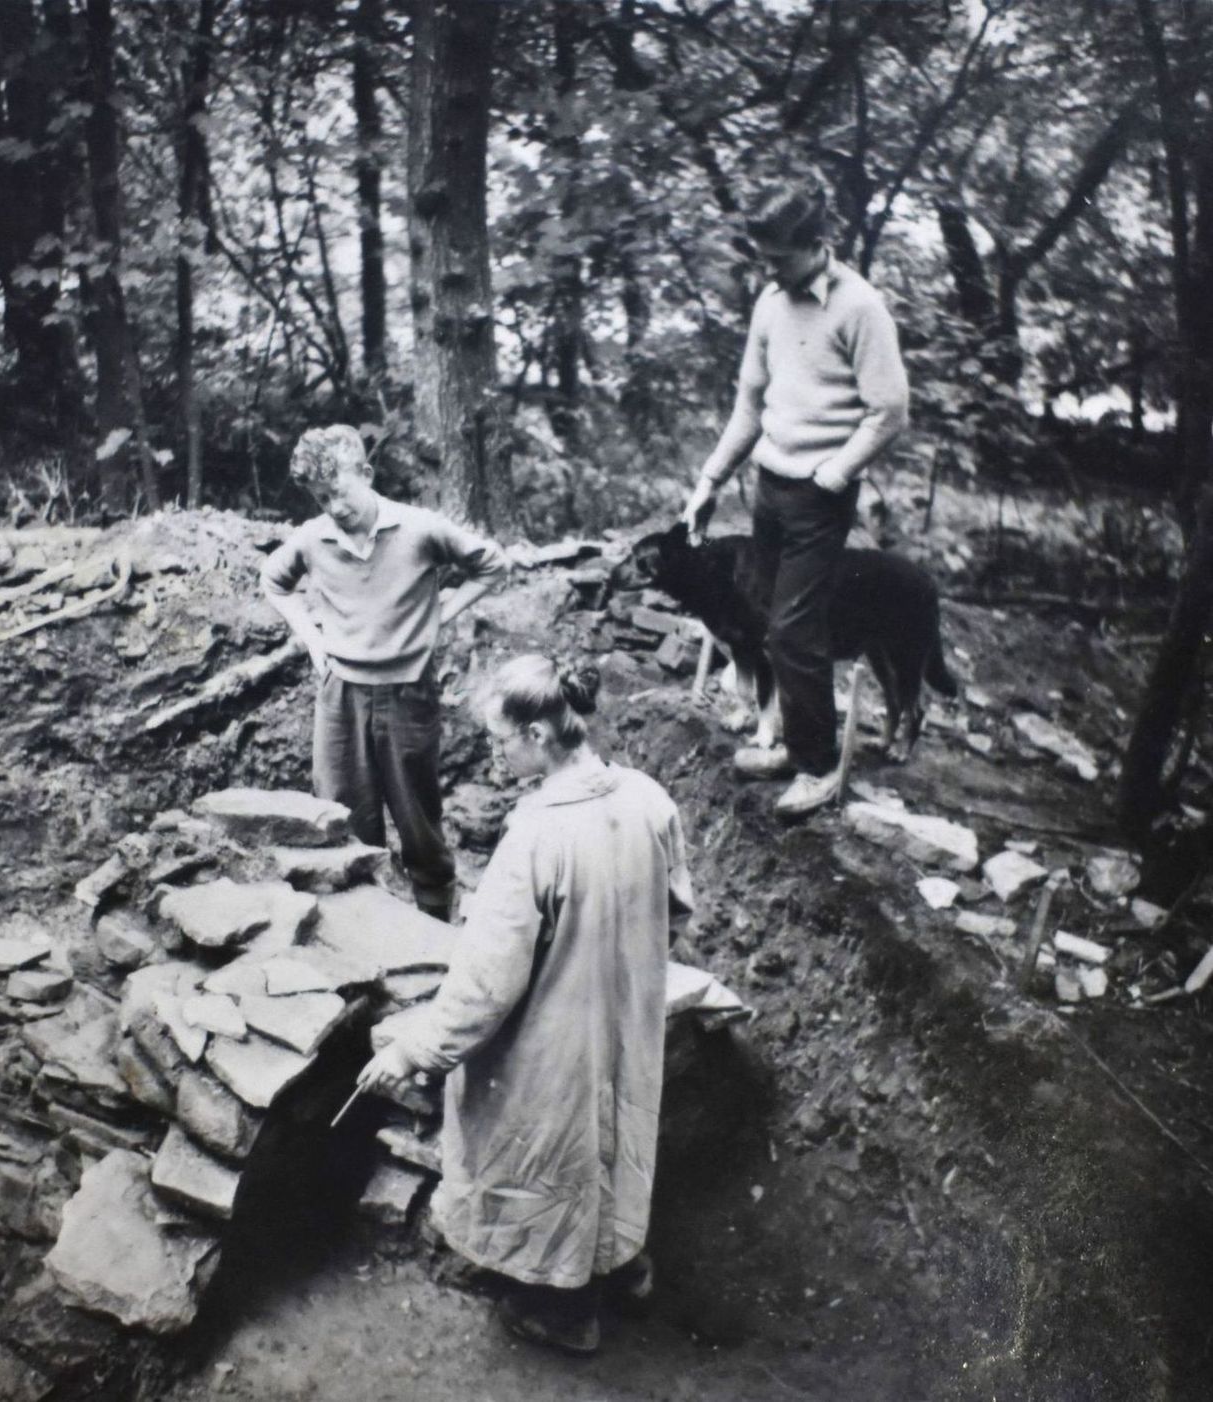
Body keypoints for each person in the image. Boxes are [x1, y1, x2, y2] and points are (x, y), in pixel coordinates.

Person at [357, 654, 694, 1356]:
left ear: (538, 734)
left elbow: (485, 985)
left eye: (498, 738)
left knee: (549, 1157)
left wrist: (414, 1051)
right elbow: (675, 909)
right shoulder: (646, 797)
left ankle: (564, 1311)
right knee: (615, 1141)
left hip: (554, 1039)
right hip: (625, 1018)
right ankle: (627, 1268)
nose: (492, 751)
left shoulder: (535, 836)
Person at [682, 179, 910, 817]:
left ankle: (817, 769)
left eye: (778, 257)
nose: (768, 270)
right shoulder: (769, 303)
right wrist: (710, 482)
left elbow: (890, 411)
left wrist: (836, 473)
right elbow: (749, 406)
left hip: (820, 494)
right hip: (769, 486)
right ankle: (785, 741)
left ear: (817, 245)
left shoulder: (860, 309)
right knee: (764, 617)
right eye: (761, 258)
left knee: (793, 629)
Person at [261, 425, 507, 920]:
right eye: (320, 497)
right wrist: (311, 639)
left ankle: (436, 925)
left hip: (407, 694)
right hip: (340, 698)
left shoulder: (419, 529)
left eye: (340, 492)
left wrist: (442, 614)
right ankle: (361, 925)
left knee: (418, 818)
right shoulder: (312, 538)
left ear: (366, 474)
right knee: (342, 814)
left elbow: (493, 565)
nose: (333, 506)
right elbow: (273, 581)